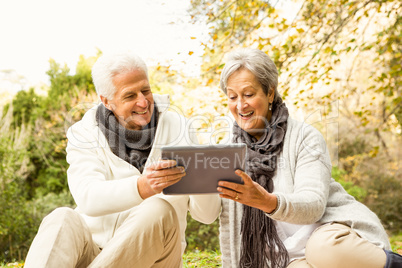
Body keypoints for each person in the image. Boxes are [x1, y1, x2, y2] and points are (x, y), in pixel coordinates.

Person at [24, 52, 220, 268]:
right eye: (130, 96)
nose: (143, 102)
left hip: (156, 258)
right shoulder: (83, 133)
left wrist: (202, 175)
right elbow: (87, 198)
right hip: (92, 252)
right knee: (61, 218)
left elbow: (207, 215)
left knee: (158, 209)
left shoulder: (180, 128)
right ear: (107, 101)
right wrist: (142, 187)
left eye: (146, 90)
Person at [216, 48, 401, 268]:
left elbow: (313, 204)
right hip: (287, 257)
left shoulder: (304, 137)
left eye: (248, 94)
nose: (240, 105)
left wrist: (266, 202)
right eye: (232, 96)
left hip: (330, 235)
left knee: (322, 248)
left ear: (270, 93)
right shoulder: (227, 152)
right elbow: (228, 225)